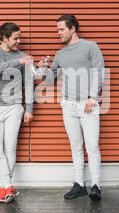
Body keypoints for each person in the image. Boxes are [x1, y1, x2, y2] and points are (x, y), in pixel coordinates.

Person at [41, 14, 105, 201]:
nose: (58, 33)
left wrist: (93, 97)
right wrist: (42, 69)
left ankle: (96, 186)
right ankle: (79, 185)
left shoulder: (90, 46)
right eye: (57, 30)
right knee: (76, 146)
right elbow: (49, 79)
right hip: (68, 105)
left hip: (88, 104)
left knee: (92, 146)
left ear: (72, 29)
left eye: (61, 29)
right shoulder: (60, 54)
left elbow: (98, 71)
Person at [0, 22, 34, 203]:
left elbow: (28, 83)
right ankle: (8, 186)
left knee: (10, 148)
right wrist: (17, 62)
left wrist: (29, 108)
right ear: (4, 38)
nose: (19, 41)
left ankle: (6, 188)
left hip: (14, 107)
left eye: (20, 38)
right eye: (15, 38)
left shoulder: (23, 56)